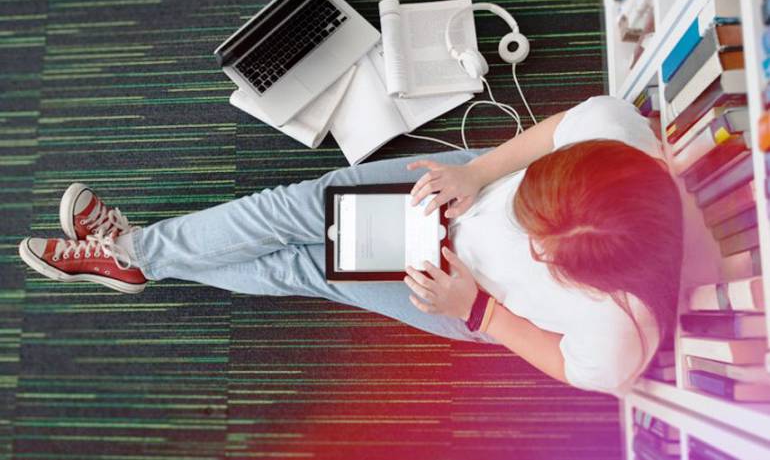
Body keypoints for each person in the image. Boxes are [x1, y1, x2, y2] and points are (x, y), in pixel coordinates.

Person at [18, 95, 683, 397]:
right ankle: (138, 255)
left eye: (542, 249)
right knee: (294, 208)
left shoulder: (620, 338)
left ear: (594, 281)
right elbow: (559, 128)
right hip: (466, 189)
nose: (526, 233)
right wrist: (481, 174)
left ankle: (132, 254)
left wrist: (478, 310)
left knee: (305, 266)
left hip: (468, 291)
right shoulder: (616, 132)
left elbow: (565, 361)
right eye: (530, 206)